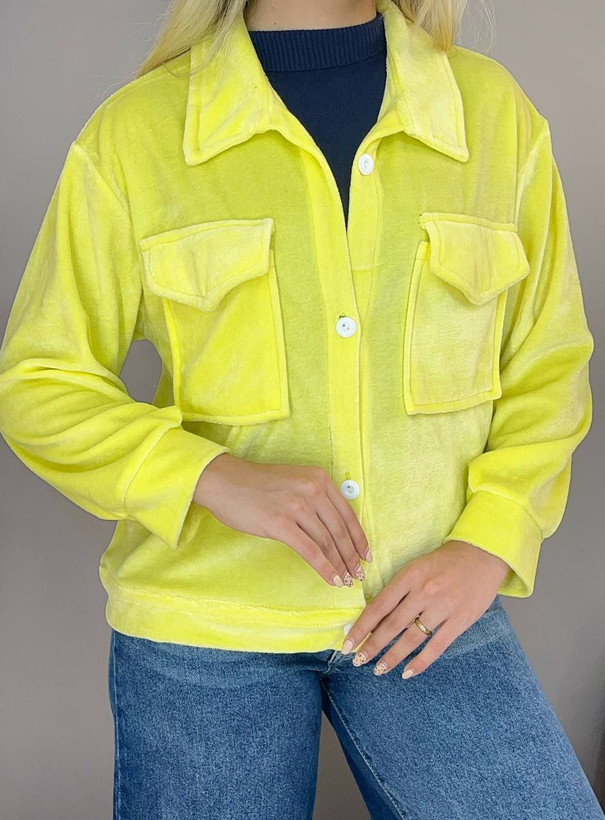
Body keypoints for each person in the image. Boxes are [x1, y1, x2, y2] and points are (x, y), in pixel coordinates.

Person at [0, 0, 602, 817]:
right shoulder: (135, 134)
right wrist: (212, 474)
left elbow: (548, 363)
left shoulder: (491, 114)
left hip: (425, 609)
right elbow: (39, 380)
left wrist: (488, 543)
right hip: (205, 623)